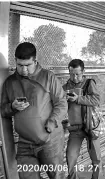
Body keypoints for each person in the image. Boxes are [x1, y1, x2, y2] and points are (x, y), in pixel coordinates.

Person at [1, 42, 68, 179]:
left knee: (57, 176)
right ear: (15, 61)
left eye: (28, 65)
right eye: (20, 65)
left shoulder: (48, 77)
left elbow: (61, 103)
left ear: (35, 61)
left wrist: (51, 123)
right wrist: (12, 107)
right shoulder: (10, 82)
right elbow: (3, 111)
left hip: (50, 141)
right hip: (25, 144)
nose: (24, 70)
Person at [62, 59, 101, 179]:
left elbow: (96, 100)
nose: (74, 77)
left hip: (90, 127)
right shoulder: (65, 87)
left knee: (96, 158)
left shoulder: (89, 83)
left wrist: (78, 99)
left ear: (83, 71)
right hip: (75, 129)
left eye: (77, 74)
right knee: (71, 157)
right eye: (71, 74)